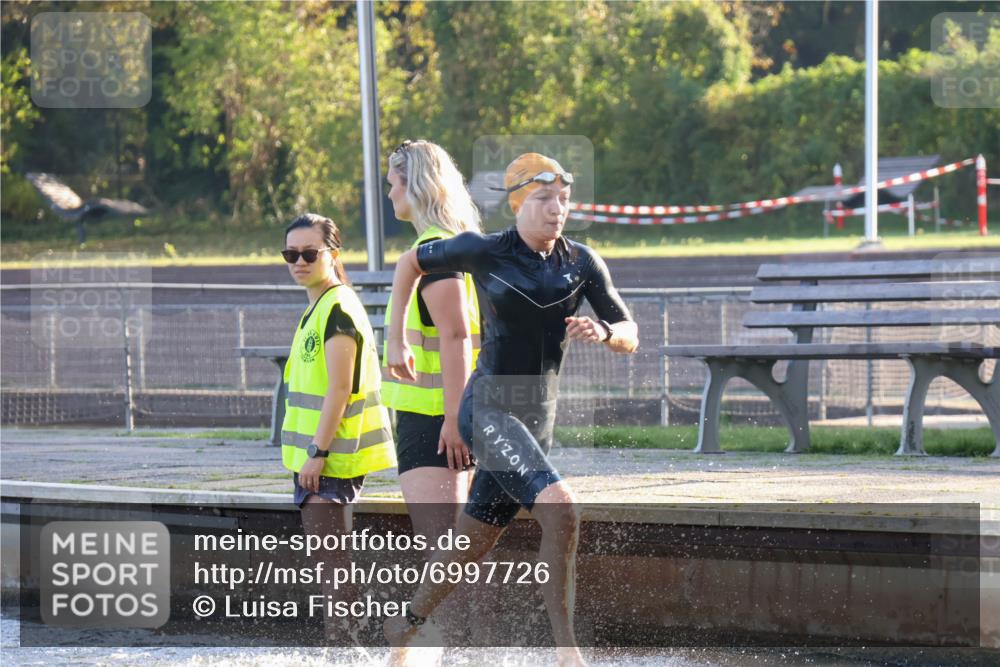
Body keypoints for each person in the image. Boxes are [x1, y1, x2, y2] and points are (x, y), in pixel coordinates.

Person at [384, 153, 639, 666]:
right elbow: (410, 262)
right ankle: (569, 656)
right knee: (562, 510)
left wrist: (607, 332)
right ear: (519, 201)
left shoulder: (582, 263)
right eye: (545, 200)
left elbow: (630, 331)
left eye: (564, 200)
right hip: (489, 408)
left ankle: (405, 629)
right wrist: (395, 339)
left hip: (536, 419)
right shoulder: (484, 251)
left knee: (469, 544)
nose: (557, 210)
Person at [280, 213, 396, 641]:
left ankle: (347, 649)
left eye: (310, 253)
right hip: (320, 458)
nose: (299, 261)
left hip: (331, 459)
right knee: (330, 563)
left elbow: (341, 389)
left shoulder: (339, 308)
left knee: (333, 565)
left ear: (333, 254)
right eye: (291, 254)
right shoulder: (318, 305)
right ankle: (346, 647)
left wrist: (317, 452)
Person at [382, 139, 482, 548]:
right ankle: (446, 616)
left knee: (441, 550)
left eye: (393, 183)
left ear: (415, 186)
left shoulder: (435, 251)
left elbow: (455, 334)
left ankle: (438, 617)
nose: (390, 193)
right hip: (445, 414)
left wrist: (454, 420)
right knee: (452, 551)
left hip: (435, 421)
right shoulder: (452, 244)